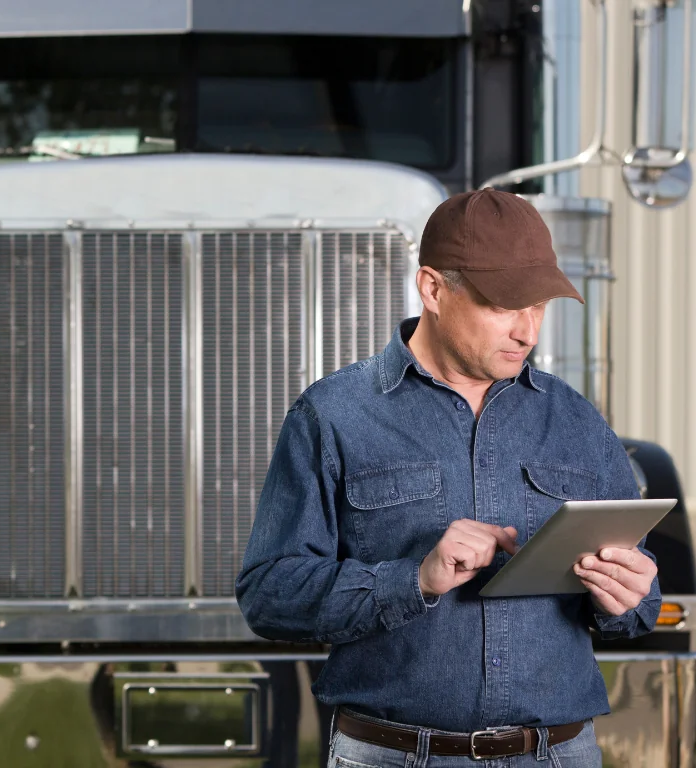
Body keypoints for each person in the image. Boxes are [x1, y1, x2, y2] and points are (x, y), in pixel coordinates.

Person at [234, 188, 661, 767]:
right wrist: (414, 580)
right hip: (392, 756)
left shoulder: (576, 420)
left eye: (538, 306)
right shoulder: (332, 416)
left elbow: (639, 610)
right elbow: (269, 595)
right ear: (433, 288)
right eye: (504, 306)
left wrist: (630, 598)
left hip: (557, 756)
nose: (527, 332)